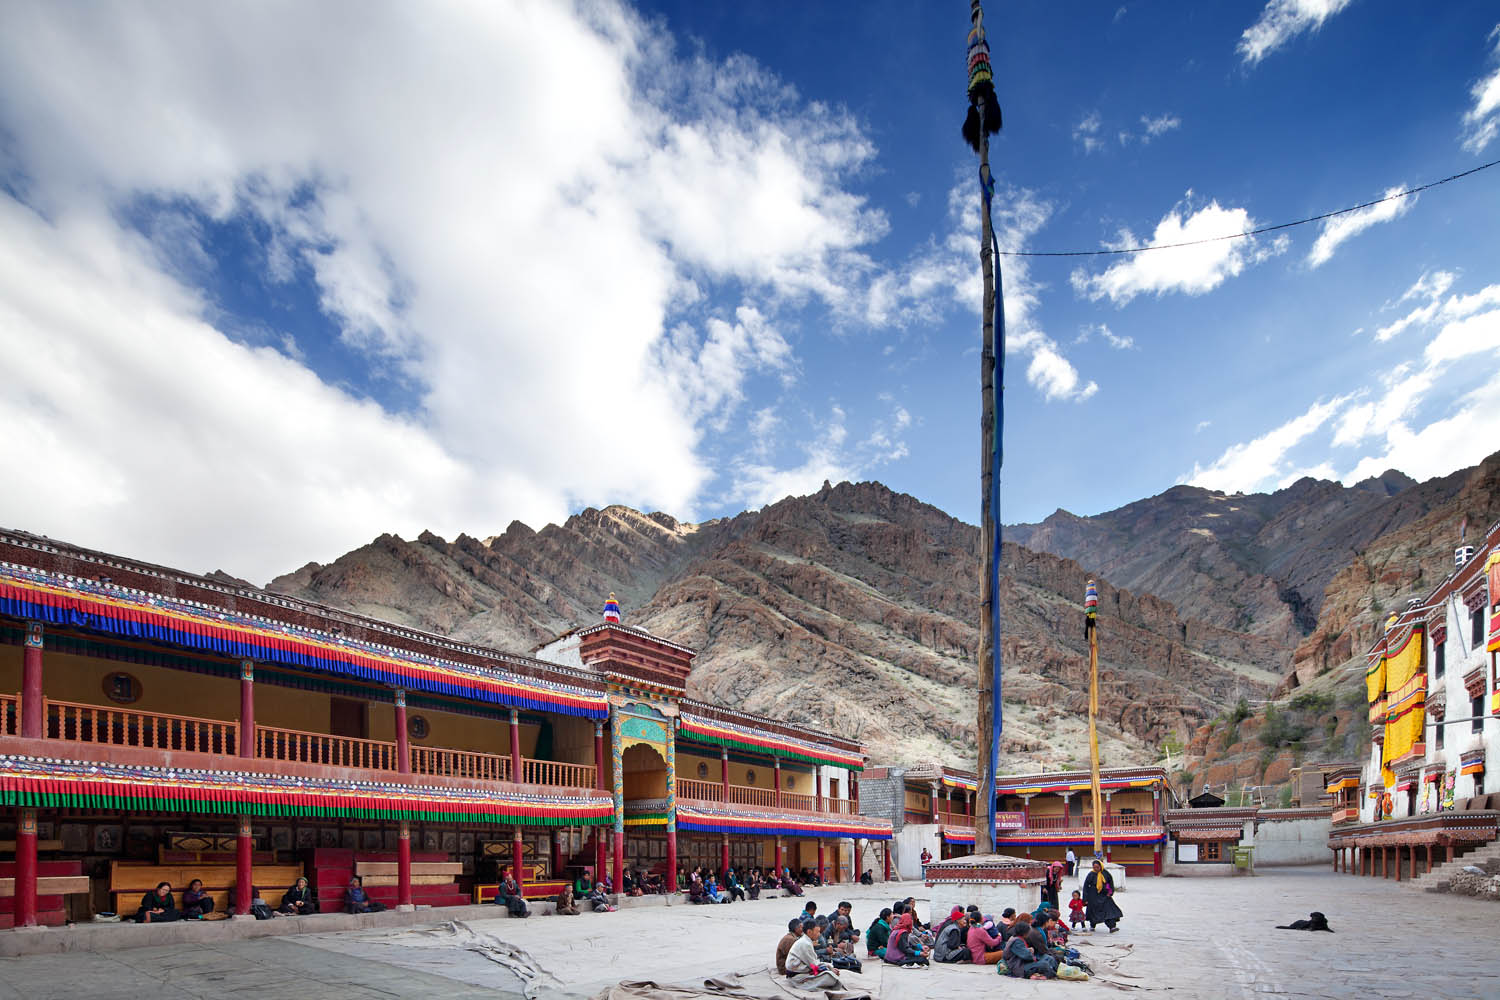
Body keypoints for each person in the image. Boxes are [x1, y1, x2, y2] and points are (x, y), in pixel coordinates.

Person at [786, 920, 844, 989]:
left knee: (830, 971)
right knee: (831, 977)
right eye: (817, 932)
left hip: (801, 972)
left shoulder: (805, 940)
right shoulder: (805, 943)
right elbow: (814, 965)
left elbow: (813, 962)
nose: (819, 934)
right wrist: (829, 969)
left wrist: (829, 967)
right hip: (797, 977)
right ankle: (805, 984)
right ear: (809, 932)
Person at [1082, 859, 1123, 932]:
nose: (1096, 869)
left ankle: (1112, 927)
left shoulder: (1105, 873)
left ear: (1101, 866)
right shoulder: (1091, 874)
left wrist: (1110, 892)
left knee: (1108, 910)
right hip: (1093, 895)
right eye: (1094, 867)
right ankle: (1092, 925)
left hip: (1104, 895)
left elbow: (1110, 883)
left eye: (1097, 867)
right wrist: (1085, 899)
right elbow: (1086, 887)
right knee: (1093, 911)